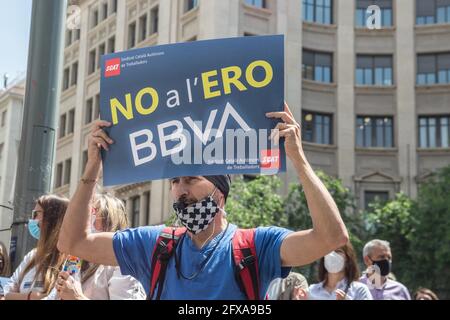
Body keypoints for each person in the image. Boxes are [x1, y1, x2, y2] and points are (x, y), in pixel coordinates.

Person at [57, 102, 349, 299]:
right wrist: (92, 168)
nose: (181, 190)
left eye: (191, 179)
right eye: (175, 181)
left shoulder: (256, 246)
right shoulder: (154, 245)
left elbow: (330, 237)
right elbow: (73, 243)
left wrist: (298, 159)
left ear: (219, 192)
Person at [51, 193, 146, 300]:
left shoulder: (122, 263)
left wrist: (77, 297)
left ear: (109, 222)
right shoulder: (75, 258)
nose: (82, 221)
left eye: (91, 214)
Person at [4, 195, 69, 300]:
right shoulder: (32, 255)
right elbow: (6, 293)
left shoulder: (69, 259)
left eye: (36, 214)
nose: (31, 220)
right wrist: (30, 297)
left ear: (52, 218)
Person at [308, 242, 372, 300]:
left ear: (347, 258)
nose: (332, 255)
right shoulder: (311, 291)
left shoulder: (359, 290)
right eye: (328, 251)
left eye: (338, 251)